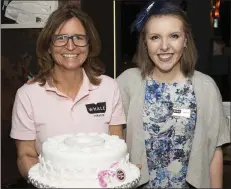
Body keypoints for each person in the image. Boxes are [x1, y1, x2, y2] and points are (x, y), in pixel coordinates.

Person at [117, 0, 230, 188]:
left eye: (174, 36)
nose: (164, 47)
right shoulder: (126, 83)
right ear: (145, 42)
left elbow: (214, 153)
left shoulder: (206, 87)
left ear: (185, 40)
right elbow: (112, 146)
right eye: (155, 37)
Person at [10, 3, 126, 180]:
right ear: (48, 46)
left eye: (78, 37)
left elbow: (117, 148)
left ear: (89, 44)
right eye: (61, 38)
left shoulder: (109, 88)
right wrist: (46, 183)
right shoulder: (27, 95)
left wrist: (122, 175)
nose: (70, 46)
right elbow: (26, 155)